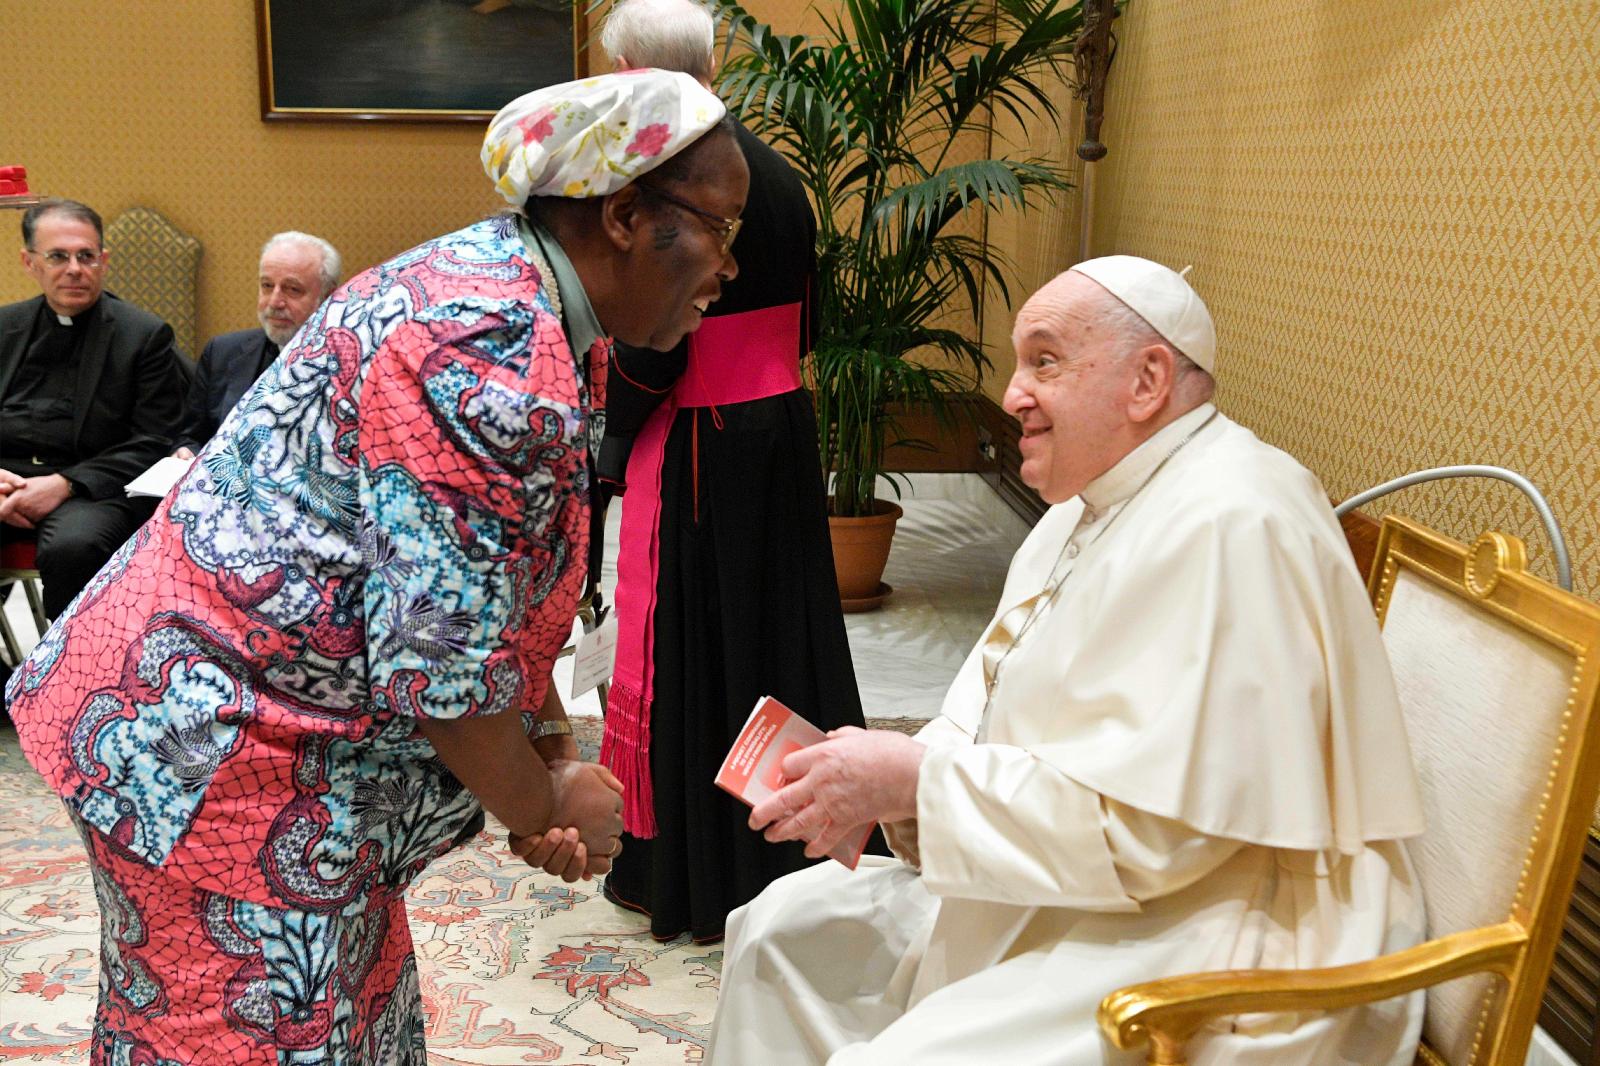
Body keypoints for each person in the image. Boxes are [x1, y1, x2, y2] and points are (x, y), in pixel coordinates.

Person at [5, 70, 748, 1066]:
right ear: (621, 215)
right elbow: (439, 669)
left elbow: (502, 586)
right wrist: (542, 802)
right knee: (247, 1041)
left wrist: (551, 749)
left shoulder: (519, 296)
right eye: (721, 227)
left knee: (355, 1022)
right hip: (216, 767)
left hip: (280, 770)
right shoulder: (481, 344)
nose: (728, 268)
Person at [705, 257, 1429, 1065]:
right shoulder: (1085, 504)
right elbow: (976, 711)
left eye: (1043, 361)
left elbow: (1162, 835)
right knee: (776, 933)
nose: (1013, 394)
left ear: (1148, 380)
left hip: (1218, 927)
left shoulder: (1234, 522)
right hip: (1084, 881)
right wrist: (888, 787)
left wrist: (913, 783)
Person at [595, 0, 870, 943]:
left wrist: (605, 438)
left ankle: (698, 872)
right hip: (780, 430)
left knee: (694, 652)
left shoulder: (673, 180)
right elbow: (813, 321)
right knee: (777, 635)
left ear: (630, 68)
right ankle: (792, 849)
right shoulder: (779, 171)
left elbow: (656, 341)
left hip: (698, 444)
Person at [0, 199, 186, 618]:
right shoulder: (3, 328)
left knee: (75, 548)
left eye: (86, 256)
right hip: (7, 477)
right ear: (29, 262)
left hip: (90, 488)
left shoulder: (143, 335)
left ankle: (64, 671)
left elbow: (154, 441)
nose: (74, 269)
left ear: (103, 261)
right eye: (58, 257)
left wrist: (64, 484)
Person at [171, 231, 341, 458]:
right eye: (267, 286)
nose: (275, 302)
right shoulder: (222, 352)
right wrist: (186, 451)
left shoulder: (351, 365)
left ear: (328, 297)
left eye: (292, 289)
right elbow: (191, 436)